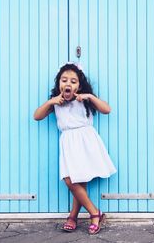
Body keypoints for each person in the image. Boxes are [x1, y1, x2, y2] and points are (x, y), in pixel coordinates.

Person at [33, 62, 116, 235]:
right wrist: (51, 101)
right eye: (64, 80)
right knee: (71, 180)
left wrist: (90, 97)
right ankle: (92, 213)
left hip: (85, 140)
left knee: (79, 180)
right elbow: (37, 116)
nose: (68, 84)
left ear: (79, 85)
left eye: (73, 81)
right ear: (59, 84)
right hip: (68, 142)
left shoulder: (84, 100)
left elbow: (106, 109)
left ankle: (78, 216)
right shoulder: (57, 103)